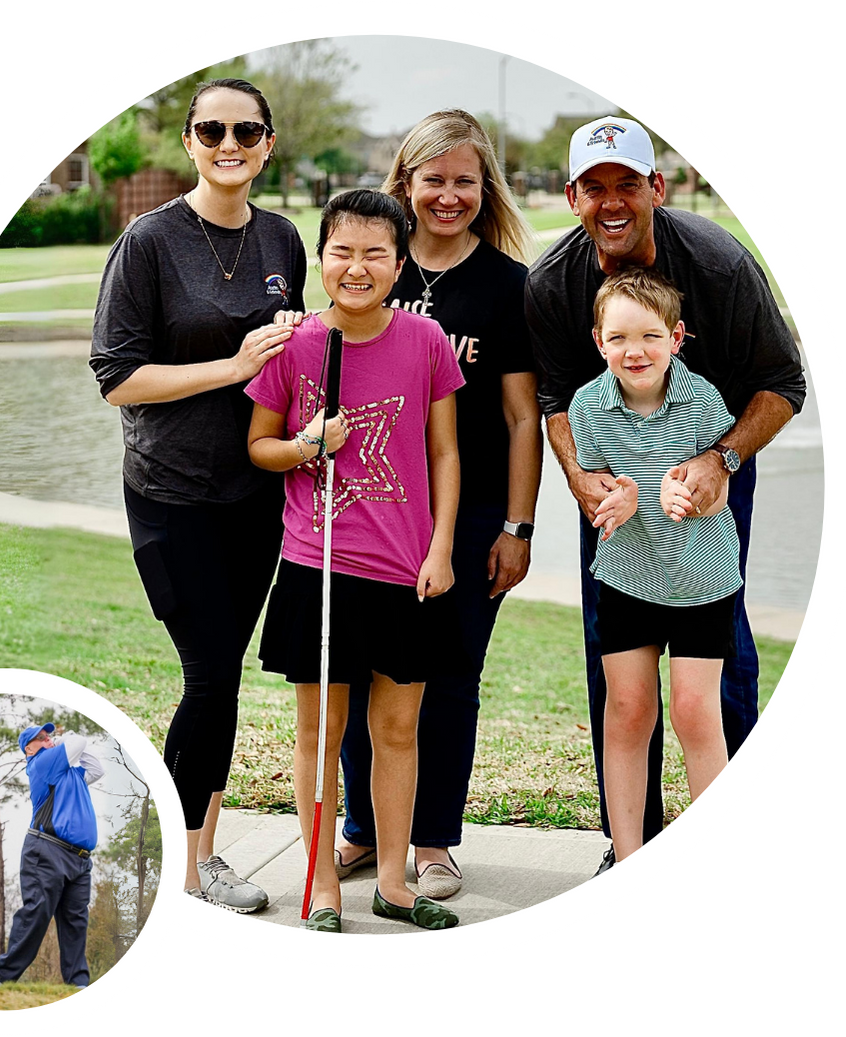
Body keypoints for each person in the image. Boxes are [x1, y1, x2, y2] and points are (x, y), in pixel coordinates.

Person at [525, 116, 806, 871]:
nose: (609, 201)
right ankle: (631, 847)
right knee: (618, 677)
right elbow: (554, 400)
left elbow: (782, 382)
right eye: (593, 188)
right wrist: (584, 482)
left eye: (626, 184)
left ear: (656, 187)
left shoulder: (718, 266)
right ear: (571, 196)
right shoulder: (553, 284)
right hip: (612, 485)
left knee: (717, 671)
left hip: (711, 471)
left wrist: (720, 459)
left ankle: (731, 836)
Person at [89, 78, 307, 910]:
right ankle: (188, 868)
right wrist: (234, 366)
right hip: (170, 495)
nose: (229, 142)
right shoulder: (147, 242)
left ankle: (195, 852)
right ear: (188, 140)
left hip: (254, 493)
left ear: (267, 143)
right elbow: (117, 380)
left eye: (245, 130)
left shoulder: (283, 240)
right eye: (211, 128)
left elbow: (288, 361)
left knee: (220, 679)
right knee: (210, 674)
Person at [334, 110, 542, 899]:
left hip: (473, 509)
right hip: (372, 513)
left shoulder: (506, 285)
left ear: (483, 188)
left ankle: (433, 841)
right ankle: (362, 827)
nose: (447, 195)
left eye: (464, 180)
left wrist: (517, 526)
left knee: (450, 674)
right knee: (360, 675)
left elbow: (524, 417)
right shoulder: (374, 270)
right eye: (433, 179)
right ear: (405, 182)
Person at [246, 190, 464, 931]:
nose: (357, 267)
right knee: (321, 732)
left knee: (397, 730)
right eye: (342, 251)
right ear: (320, 258)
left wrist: (439, 546)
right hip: (318, 565)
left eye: (375, 253)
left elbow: (443, 450)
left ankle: (396, 884)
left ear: (399, 263)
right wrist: (311, 443)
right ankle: (322, 887)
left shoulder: (425, 341)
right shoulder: (298, 344)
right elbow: (261, 446)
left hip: (404, 568)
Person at [569, 267, 741, 862]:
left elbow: (716, 487)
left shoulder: (702, 403)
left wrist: (687, 493)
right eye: (617, 338)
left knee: (696, 714)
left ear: (677, 336)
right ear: (599, 342)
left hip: (702, 575)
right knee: (627, 711)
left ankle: (711, 858)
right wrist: (621, 497)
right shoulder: (587, 405)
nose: (633, 350)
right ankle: (628, 854)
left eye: (648, 336)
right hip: (628, 576)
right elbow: (599, 482)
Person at [0, 723, 104, 987]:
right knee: (38, 913)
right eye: (41, 738)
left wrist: (61, 742)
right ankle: (4, 975)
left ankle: (77, 984)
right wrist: (62, 739)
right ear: (29, 749)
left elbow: (97, 769)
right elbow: (77, 743)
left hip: (79, 859)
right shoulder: (41, 763)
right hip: (46, 850)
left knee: (75, 920)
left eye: (48, 736)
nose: (47, 740)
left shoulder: (70, 773)